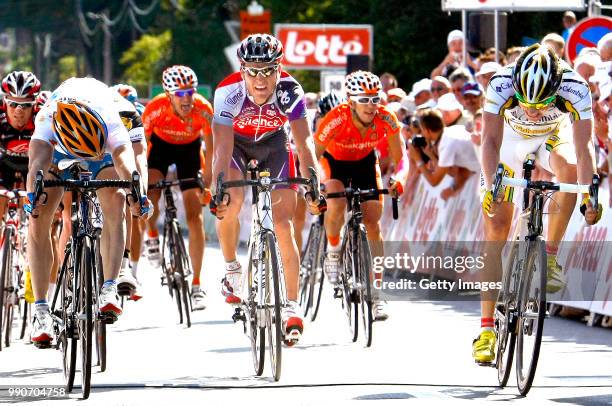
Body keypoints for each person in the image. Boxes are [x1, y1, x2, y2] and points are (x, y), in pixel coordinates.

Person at [473, 44, 602, 364]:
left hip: (550, 137)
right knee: (496, 227)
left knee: (570, 169)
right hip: (507, 141)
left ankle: (551, 256)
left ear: (556, 90)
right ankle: (487, 330)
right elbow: (489, 141)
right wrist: (491, 185)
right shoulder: (500, 83)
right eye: (526, 102)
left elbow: (585, 148)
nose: (532, 109)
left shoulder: (576, 87)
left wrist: (589, 194)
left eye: (541, 103)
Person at [211, 34, 323, 345]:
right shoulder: (227, 93)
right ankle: (232, 268)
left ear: (279, 68)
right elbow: (221, 150)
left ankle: (290, 304)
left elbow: (304, 143)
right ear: (242, 69)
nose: (261, 80)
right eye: (253, 71)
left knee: (284, 224)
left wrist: (313, 182)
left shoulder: (290, 91)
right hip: (237, 145)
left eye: (269, 70)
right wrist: (217, 187)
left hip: (274, 145)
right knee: (230, 202)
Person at [26, 77, 151, 346]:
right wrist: (31, 197)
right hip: (59, 149)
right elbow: (36, 163)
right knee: (38, 215)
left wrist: (138, 195)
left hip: (103, 148)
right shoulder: (47, 118)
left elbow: (129, 161)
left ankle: (108, 287)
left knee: (116, 196)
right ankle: (41, 311)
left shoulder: (116, 118)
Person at [314, 70, 408, 321]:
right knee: (335, 203)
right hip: (334, 163)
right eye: (364, 99)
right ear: (351, 101)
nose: (371, 105)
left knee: (374, 224)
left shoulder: (386, 118)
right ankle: (333, 251)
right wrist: (314, 185)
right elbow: (314, 153)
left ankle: (376, 294)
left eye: (375, 99)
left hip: (366, 163)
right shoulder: (336, 118)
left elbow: (402, 159)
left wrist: (400, 179)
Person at [141, 65, 213, 311]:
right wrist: (138, 177)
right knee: (150, 195)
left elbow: (211, 148)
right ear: (168, 94)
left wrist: (209, 181)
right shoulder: (155, 108)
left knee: (195, 217)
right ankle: (151, 235)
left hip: (190, 152)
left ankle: (196, 284)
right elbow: (141, 146)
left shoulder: (203, 109)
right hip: (160, 148)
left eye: (190, 92)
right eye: (180, 94)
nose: (187, 98)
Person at [407, 108, 479, 201]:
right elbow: (456, 171)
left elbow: (434, 181)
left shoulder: (446, 145)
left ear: (427, 130)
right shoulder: (452, 130)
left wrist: (418, 160)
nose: (422, 135)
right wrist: (431, 155)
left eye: (422, 131)